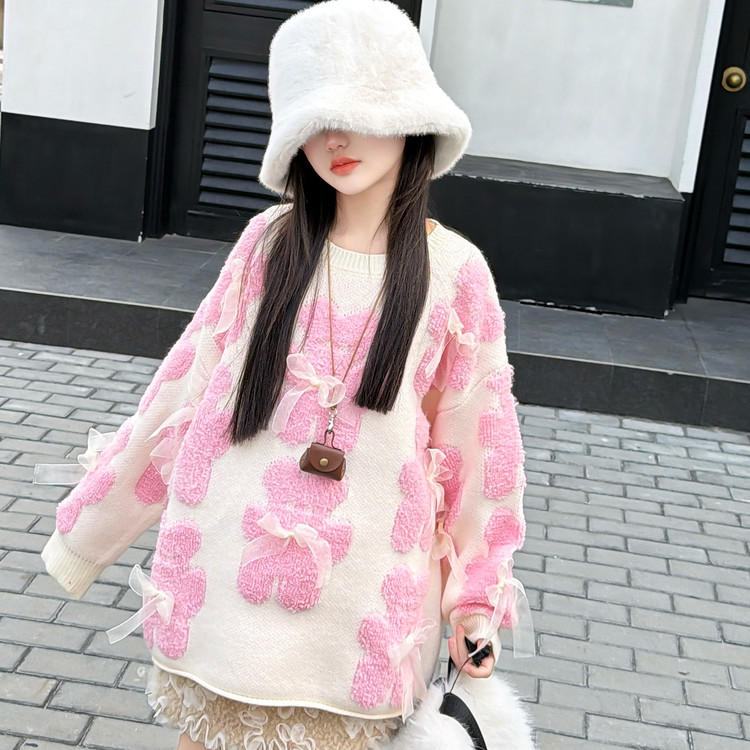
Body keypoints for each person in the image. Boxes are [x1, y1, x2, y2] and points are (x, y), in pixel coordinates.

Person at [38, 1, 528, 748]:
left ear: (411, 118)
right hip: (227, 588)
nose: (336, 139)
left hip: (360, 615)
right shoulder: (268, 245)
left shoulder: (456, 273)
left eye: (357, 114)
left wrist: (475, 602)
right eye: (314, 119)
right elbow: (183, 391)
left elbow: (481, 454)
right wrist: (87, 535)